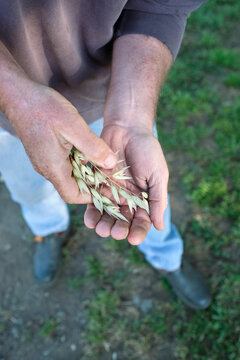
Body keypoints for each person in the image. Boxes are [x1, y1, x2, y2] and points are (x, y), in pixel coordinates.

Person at [0, 0, 211, 310]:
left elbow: (163, 5)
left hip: (112, 96)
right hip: (4, 115)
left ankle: (166, 257)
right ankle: (48, 230)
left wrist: (131, 117)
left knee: (144, 193)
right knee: (27, 187)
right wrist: (14, 96)